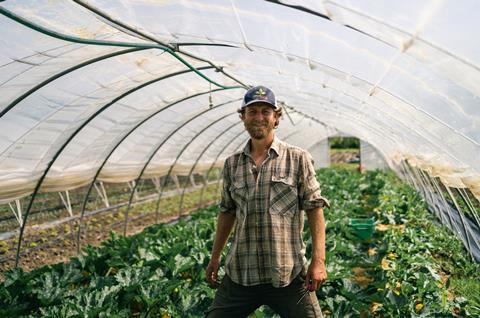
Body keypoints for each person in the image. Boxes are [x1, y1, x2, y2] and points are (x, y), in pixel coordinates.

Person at [205, 86, 330, 317]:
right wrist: (215, 258)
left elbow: (315, 208)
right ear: (243, 117)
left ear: (276, 117)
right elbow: (227, 212)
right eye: (252, 111)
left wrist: (318, 261)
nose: (259, 117)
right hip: (241, 273)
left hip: (287, 274)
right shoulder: (232, 164)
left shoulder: (297, 158)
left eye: (266, 111)